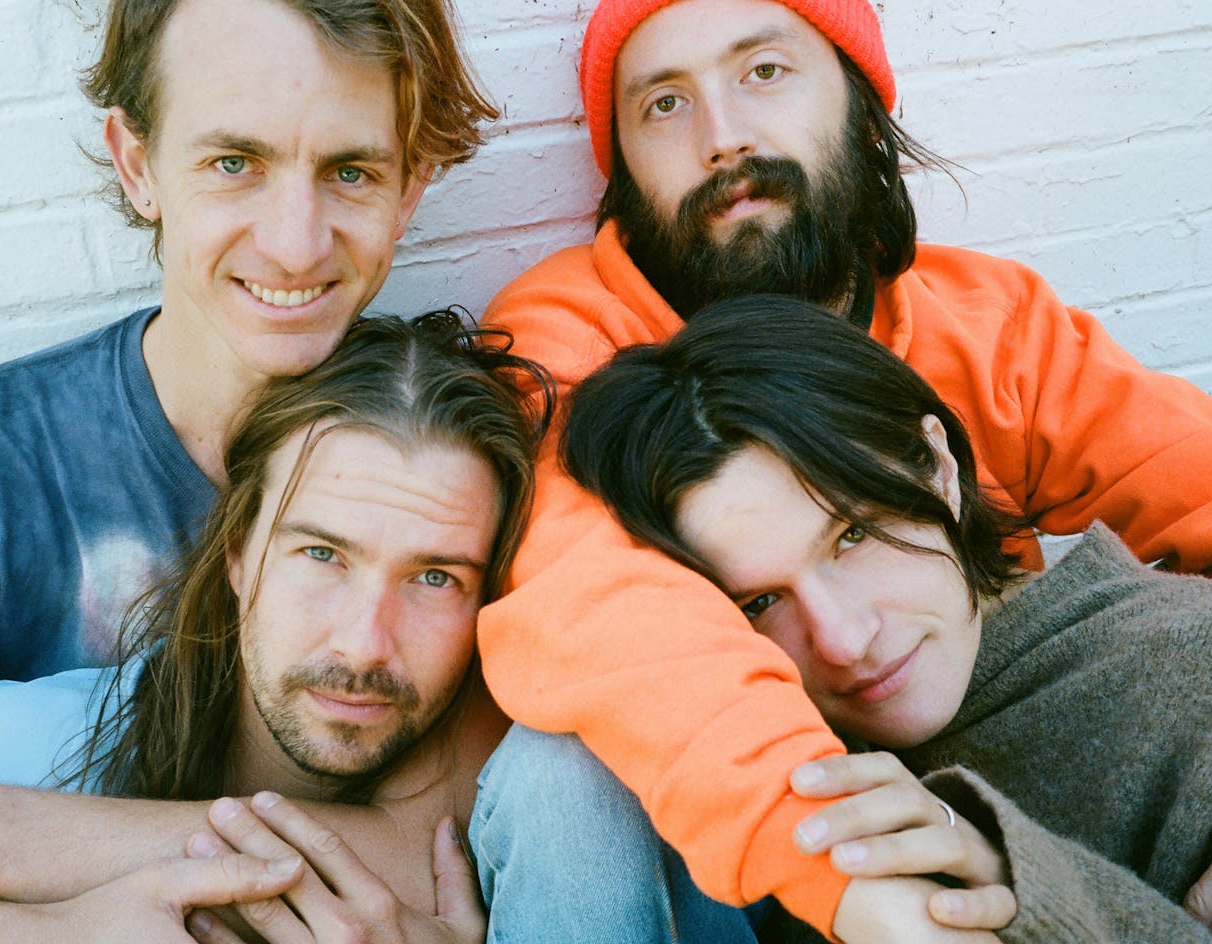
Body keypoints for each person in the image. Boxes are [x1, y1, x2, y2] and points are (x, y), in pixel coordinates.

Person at [473, 0, 1212, 938]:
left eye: (764, 72)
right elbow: (596, 599)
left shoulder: (992, 325)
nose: (723, 138)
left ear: (862, 103)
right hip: (767, 843)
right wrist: (837, 858)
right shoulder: (562, 348)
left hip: (1012, 785)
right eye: (663, 104)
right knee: (563, 771)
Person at [0, 0, 497, 935]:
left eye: (352, 171)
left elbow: (438, 852)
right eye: (234, 163)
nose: (294, 242)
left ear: (410, 189)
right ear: (138, 164)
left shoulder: (451, 467)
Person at [0, 311, 549, 941]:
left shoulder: (515, 804)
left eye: (435, 578)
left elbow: (421, 848)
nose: (365, 643)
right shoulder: (3, 753)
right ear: (236, 553)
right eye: (321, 555)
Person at [561, 293, 1212, 943]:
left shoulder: (1188, 670)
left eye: (852, 535)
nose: (843, 641)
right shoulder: (771, 766)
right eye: (759, 602)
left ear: (938, 469)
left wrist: (1024, 889)